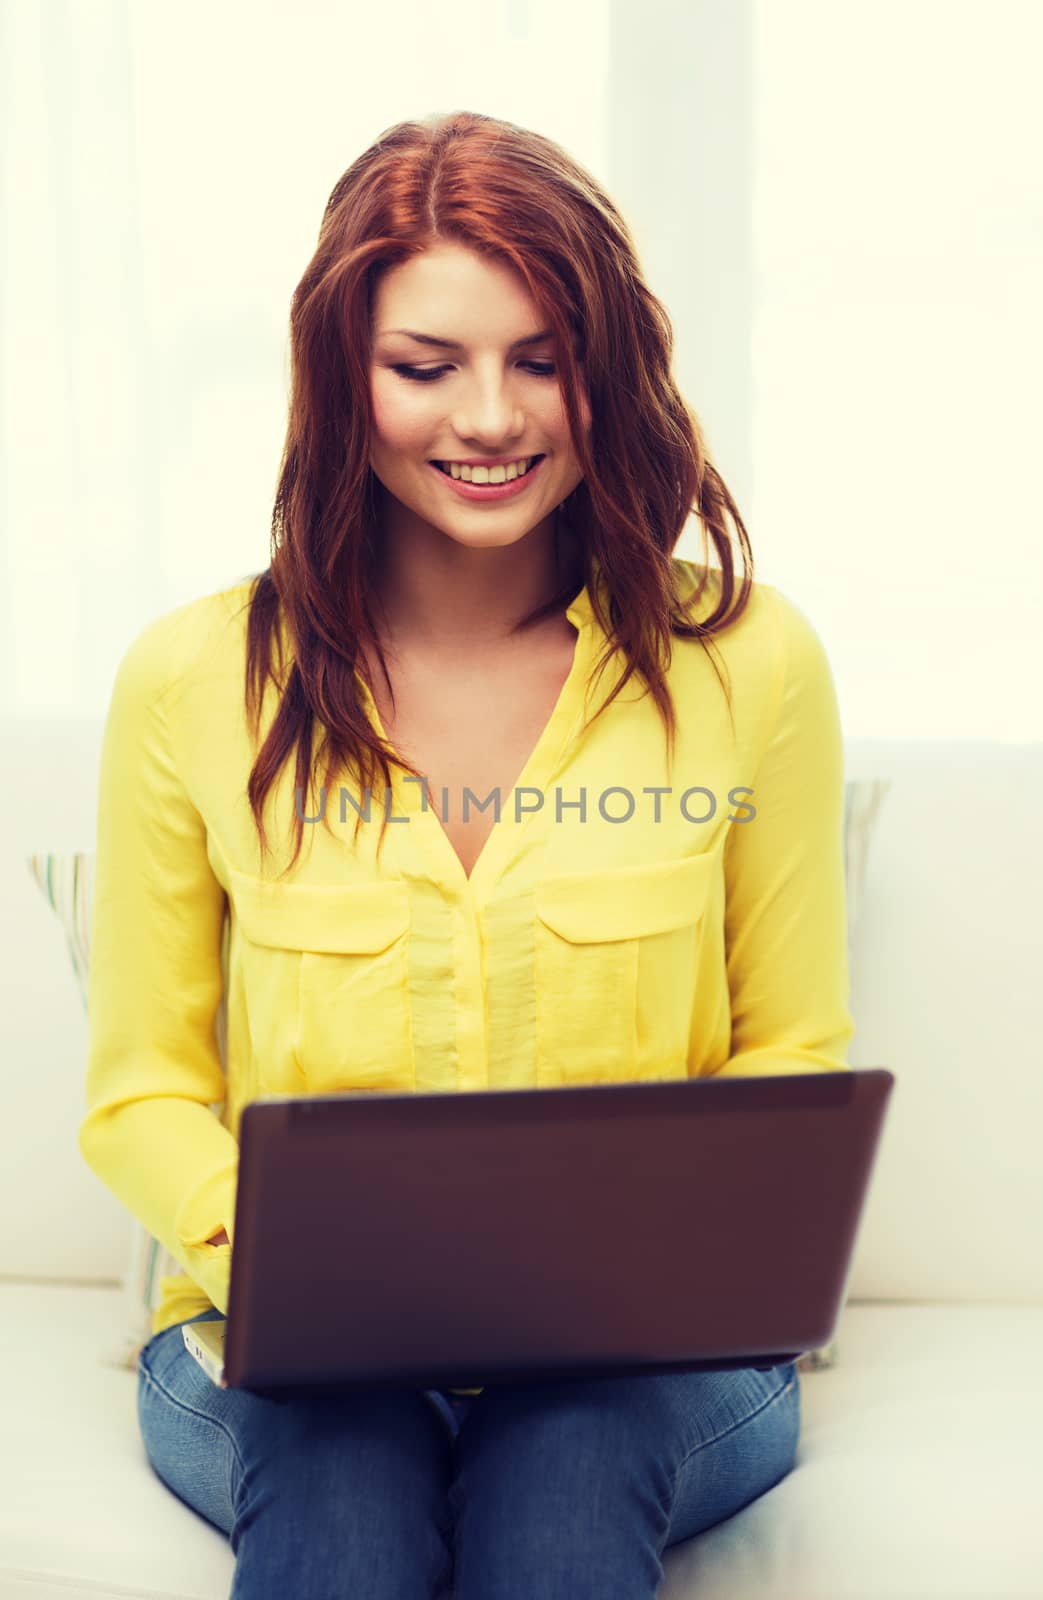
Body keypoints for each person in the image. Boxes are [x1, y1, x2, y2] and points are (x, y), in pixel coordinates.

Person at [79, 109, 853, 1599]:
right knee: (341, 1473)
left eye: (541, 358)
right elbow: (140, 1091)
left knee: (560, 1470)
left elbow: (793, 1051)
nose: (489, 417)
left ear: (605, 368)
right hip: (281, 1350)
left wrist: (654, 1270)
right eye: (425, 366)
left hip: (651, 1365)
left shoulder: (753, 665)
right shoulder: (189, 681)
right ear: (342, 382)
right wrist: (286, 1261)